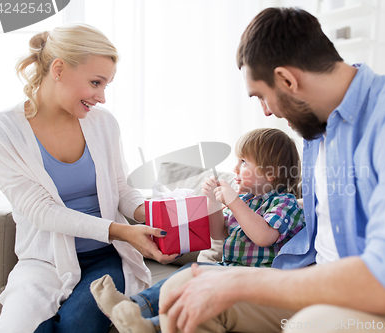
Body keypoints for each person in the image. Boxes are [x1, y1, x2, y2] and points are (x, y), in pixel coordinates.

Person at [157, 7, 385, 333]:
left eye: (262, 97)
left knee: (312, 326)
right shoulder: (317, 132)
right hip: (320, 293)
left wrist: (242, 281)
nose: (266, 112)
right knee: (180, 291)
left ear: (287, 80)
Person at [0, 24, 177, 333]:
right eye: (95, 82)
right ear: (59, 69)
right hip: (44, 262)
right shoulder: (2, 132)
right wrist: (121, 230)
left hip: (106, 256)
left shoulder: (104, 124)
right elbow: (41, 211)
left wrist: (154, 215)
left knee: (78, 325)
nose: (102, 97)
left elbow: (121, 190)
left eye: (106, 85)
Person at [89, 127, 305, 333]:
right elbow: (219, 233)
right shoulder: (245, 200)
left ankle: (145, 317)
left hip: (260, 279)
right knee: (189, 274)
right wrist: (211, 201)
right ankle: (137, 310)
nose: (235, 169)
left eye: (244, 162)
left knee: (195, 277)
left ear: (271, 173)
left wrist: (233, 202)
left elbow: (264, 236)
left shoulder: (286, 203)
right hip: (229, 269)